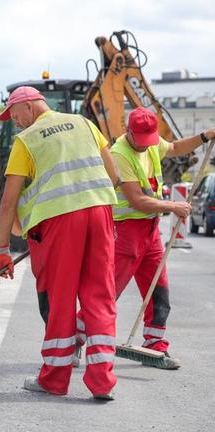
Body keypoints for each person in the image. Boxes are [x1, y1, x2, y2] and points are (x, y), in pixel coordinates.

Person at [0, 86, 119, 400]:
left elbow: (8, 202)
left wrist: (2, 249)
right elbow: (114, 176)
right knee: (100, 296)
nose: (14, 122)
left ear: (29, 106)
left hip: (60, 223)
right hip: (100, 212)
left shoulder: (27, 140)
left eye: (14, 114)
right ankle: (102, 381)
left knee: (61, 299)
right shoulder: (85, 124)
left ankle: (54, 379)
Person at [74, 108, 215, 369]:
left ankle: (155, 345)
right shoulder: (119, 155)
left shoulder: (150, 144)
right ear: (129, 132)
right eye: (142, 140)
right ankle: (76, 337)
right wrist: (173, 207)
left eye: (151, 139)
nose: (148, 145)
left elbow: (173, 147)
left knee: (159, 289)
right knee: (109, 292)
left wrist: (204, 137)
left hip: (149, 231)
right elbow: (137, 200)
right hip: (126, 231)